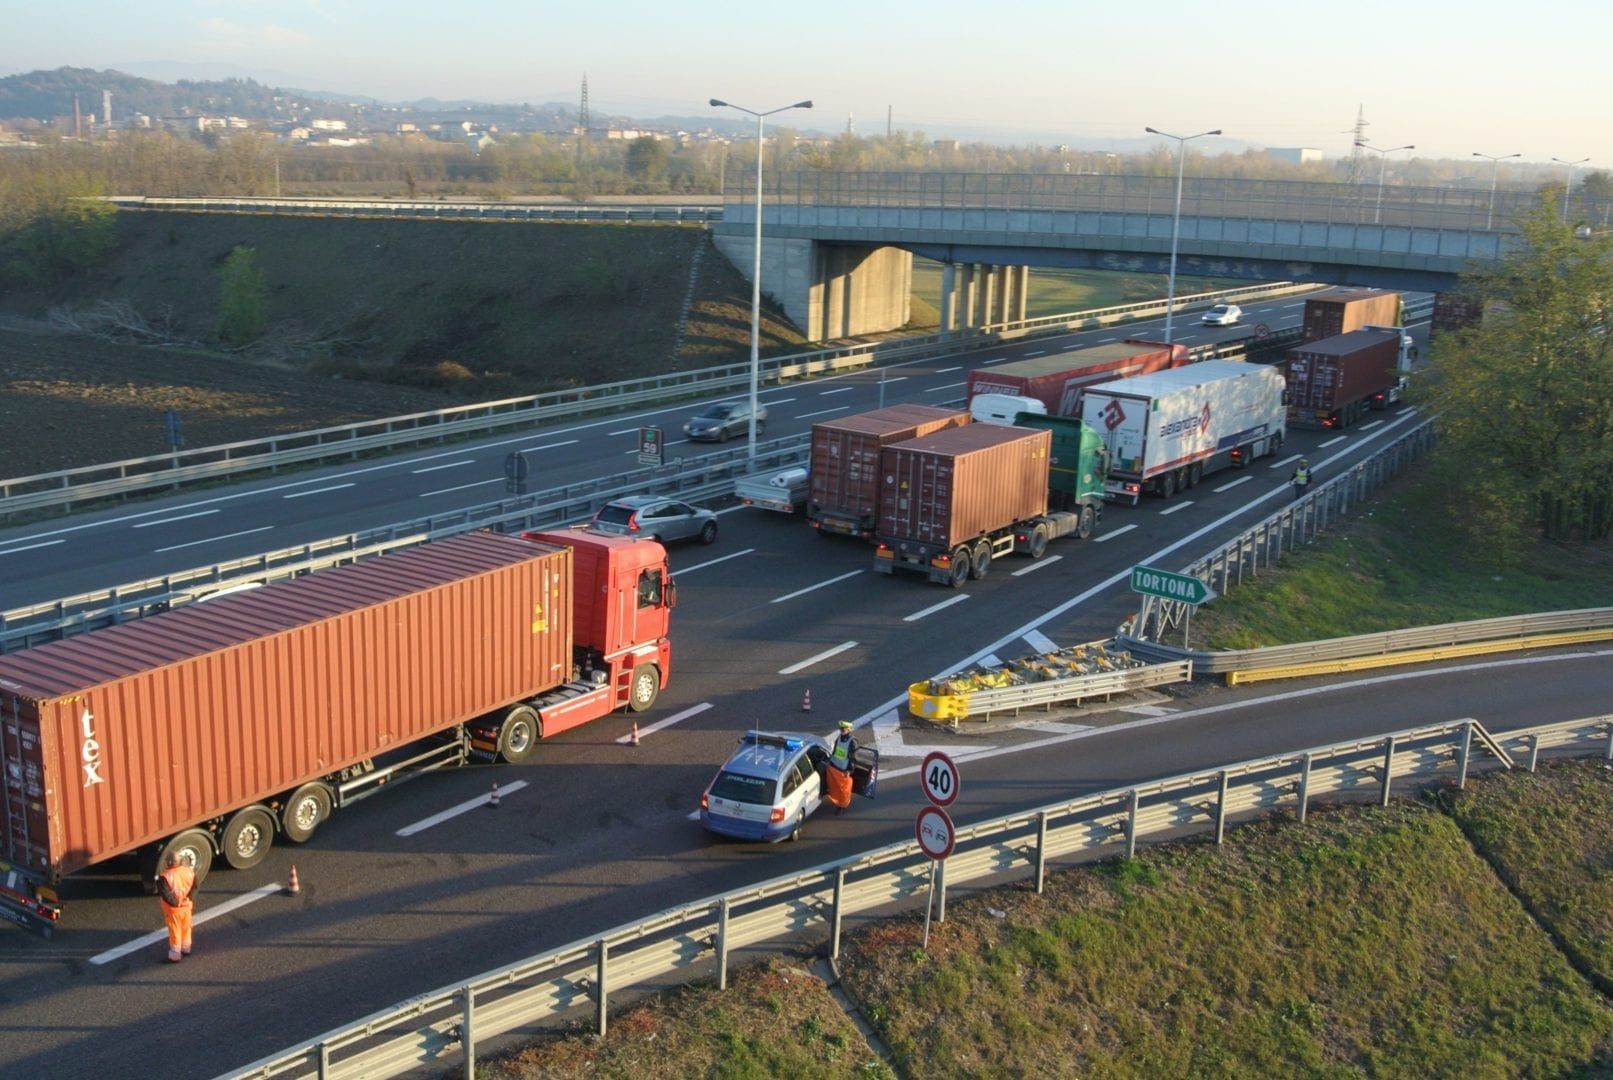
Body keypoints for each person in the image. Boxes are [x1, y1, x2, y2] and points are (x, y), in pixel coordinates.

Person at [157, 851, 196, 963]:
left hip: (173, 910)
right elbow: (195, 886)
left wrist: (176, 903)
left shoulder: (165, 876)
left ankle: (175, 954)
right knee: (186, 927)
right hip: (187, 906)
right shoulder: (189, 871)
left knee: (175, 931)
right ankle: (186, 948)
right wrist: (188, 899)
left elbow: (165, 894)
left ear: (169, 862)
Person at [824, 720, 857, 815]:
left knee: (843, 790)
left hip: (843, 769)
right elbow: (835, 751)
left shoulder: (852, 742)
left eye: (843, 729)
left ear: (849, 729)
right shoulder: (839, 738)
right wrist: (830, 761)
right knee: (834, 786)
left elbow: (853, 758)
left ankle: (842, 805)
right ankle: (837, 800)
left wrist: (849, 770)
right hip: (835, 766)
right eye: (840, 729)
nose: (841, 731)